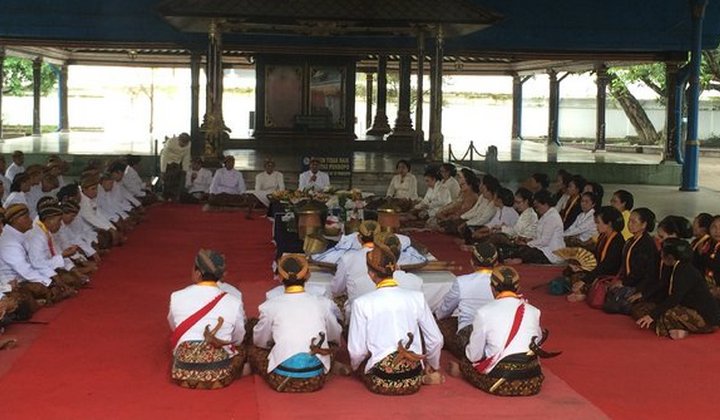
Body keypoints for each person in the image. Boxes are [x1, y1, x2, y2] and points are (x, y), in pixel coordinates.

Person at [348, 245, 444, 395]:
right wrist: (433, 365)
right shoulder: (416, 298)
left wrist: (356, 367)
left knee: (359, 357)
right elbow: (436, 339)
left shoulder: (362, 303)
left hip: (381, 381)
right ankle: (425, 377)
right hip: (413, 378)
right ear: (395, 269)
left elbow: (356, 352)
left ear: (371, 274)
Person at [250, 255, 343, 392]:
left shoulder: (270, 306)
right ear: (308, 275)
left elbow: (260, 341)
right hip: (316, 378)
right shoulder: (323, 303)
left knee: (253, 348)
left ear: (280, 277)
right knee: (332, 344)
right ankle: (331, 365)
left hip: (281, 379)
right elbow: (335, 334)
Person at [449, 266, 546, 396]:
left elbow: (474, 356)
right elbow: (538, 342)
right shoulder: (533, 311)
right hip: (532, 381)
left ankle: (460, 371)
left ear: (492, 288)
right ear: (518, 288)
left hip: (499, 382)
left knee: (466, 360)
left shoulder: (484, 312)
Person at [168, 249, 247, 389]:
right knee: (244, 349)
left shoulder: (176, 296)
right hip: (218, 375)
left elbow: (174, 326)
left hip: (183, 373)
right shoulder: (233, 301)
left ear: (198, 273)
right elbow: (238, 338)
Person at [635, 238, 720, 339]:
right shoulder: (676, 267)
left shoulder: (684, 270)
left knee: (666, 313)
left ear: (670, 257)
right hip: (687, 308)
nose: (660, 255)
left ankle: (678, 330)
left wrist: (652, 316)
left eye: (662, 253)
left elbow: (675, 298)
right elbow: (664, 287)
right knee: (647, 309)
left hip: (706, 318)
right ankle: (675, 328)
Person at [0, 204, 73, 304]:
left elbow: (36, 262)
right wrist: (49, 284)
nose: (31, 220)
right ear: (16, 220)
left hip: (28, 276)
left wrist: (53, 278)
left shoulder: (21, 234)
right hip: (15, 282)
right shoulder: (9, 242)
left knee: (62, 280)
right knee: (39, 290)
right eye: (26, 217)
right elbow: (25, 270)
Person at [435, 242, 497, 359]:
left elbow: (445, 310)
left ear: (472, 262)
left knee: (438, 326)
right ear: (496, 263)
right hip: (497, 335)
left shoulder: (462, 281)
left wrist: (437, 317)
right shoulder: (500, 283)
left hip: (468, 337)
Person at [565, 206, 626, 302]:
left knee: (581, 279)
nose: (596, 226)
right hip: (599, 269)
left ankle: (585, 292)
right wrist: (581, 265)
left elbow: (606, 266)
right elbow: (595, 255)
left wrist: (585, 280)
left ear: (609, 224)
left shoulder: (617, 240)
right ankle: (583, 291)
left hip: (607, 275)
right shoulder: (603, 236)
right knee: (571, 269)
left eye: (598, 222)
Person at [608, 208, 660, 315]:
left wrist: (623, 283)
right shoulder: (630, 241)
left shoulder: (646, 244)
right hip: (629, 280)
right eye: (629, 221)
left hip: (640, 284)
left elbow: (640, 271)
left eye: (634, 222)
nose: (629, 224)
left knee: (615, 303)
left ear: (644, 225)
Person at [331, 221, 379, 318]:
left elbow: (336, 290)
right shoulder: (387, 257)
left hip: (356, 315)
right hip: (383, 312)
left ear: (358, 238)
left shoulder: (347, 258)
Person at [505, 190, 564, 265]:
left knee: (527, 250)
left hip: (551, 252)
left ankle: (519, 260)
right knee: (520, 247)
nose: (536, 209)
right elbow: (538, 237)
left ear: (545, 204)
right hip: (543, 248)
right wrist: (526, 240)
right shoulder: (545, 216)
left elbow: (544, 241)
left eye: (537, 207)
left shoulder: (552, 217)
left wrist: (528, 243)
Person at [160, 133, 191, 201]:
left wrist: (185, 169)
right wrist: (163, 171)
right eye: (182, 142)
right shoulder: (170, 142)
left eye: (185, 143)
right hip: (168, 162)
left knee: (177, 181)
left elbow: (186, 157)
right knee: (167, 180)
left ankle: (175, 196)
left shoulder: (188, 145)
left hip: (178, 163)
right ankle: (165, 196)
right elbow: (164, 156)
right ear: (179, 139)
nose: (183, 145)